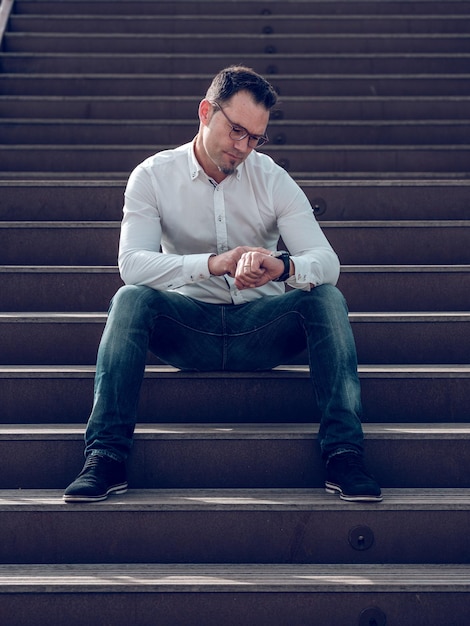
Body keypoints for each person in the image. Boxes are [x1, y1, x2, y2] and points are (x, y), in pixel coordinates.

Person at [64, 65, 382, 503]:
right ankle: (105, 457)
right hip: (187, 328)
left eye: (255, 138)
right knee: (130, 299)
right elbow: (132, 265)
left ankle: (345, 455)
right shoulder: (153, 176)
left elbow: (326, 261)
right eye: (236, 131)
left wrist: (283, 267)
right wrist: (214, 264)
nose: (243, 147)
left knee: (326, 298)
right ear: (205, 112)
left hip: (261, 329)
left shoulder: (273, 179)